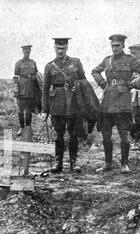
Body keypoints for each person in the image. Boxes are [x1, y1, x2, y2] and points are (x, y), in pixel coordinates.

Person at [91, 34, 140, 173]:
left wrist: (136, 84)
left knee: (124, 135)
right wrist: (102, 84)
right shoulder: (107, 61)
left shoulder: (130, 60)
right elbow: (95, 71)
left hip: (123, 102)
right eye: (113, 45)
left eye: (118, 45)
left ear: (123, 46)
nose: (115, 48)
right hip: (107, 103)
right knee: (106, 135)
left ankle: (124, 164)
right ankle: (108, 163)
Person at [42, 38, 86, 173]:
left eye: (63, 48)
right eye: (58, 48)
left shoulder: (76, 62)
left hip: (72, 102)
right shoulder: (50, 66)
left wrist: (76, 86)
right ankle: (58, 162)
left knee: (73, 134)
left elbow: (83, 81)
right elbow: (45, 89)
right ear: (54, 48)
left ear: (67, 47)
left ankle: (73, 162)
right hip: (57, 104)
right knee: (59, 135)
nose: (60, 51)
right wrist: (45, 109)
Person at [13, 44, 41, 136]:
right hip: (21, 90)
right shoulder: (18, 63)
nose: (27, 53)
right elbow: (16, 77)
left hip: (31, 90)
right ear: (23, 52)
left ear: (30, 52)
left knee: (29, 111)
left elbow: (37, 75)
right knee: (20, 111)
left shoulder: (33, 63)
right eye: (25, 52)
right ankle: (21, 128)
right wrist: (16, 90)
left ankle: (28, 129)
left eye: (28, 52)